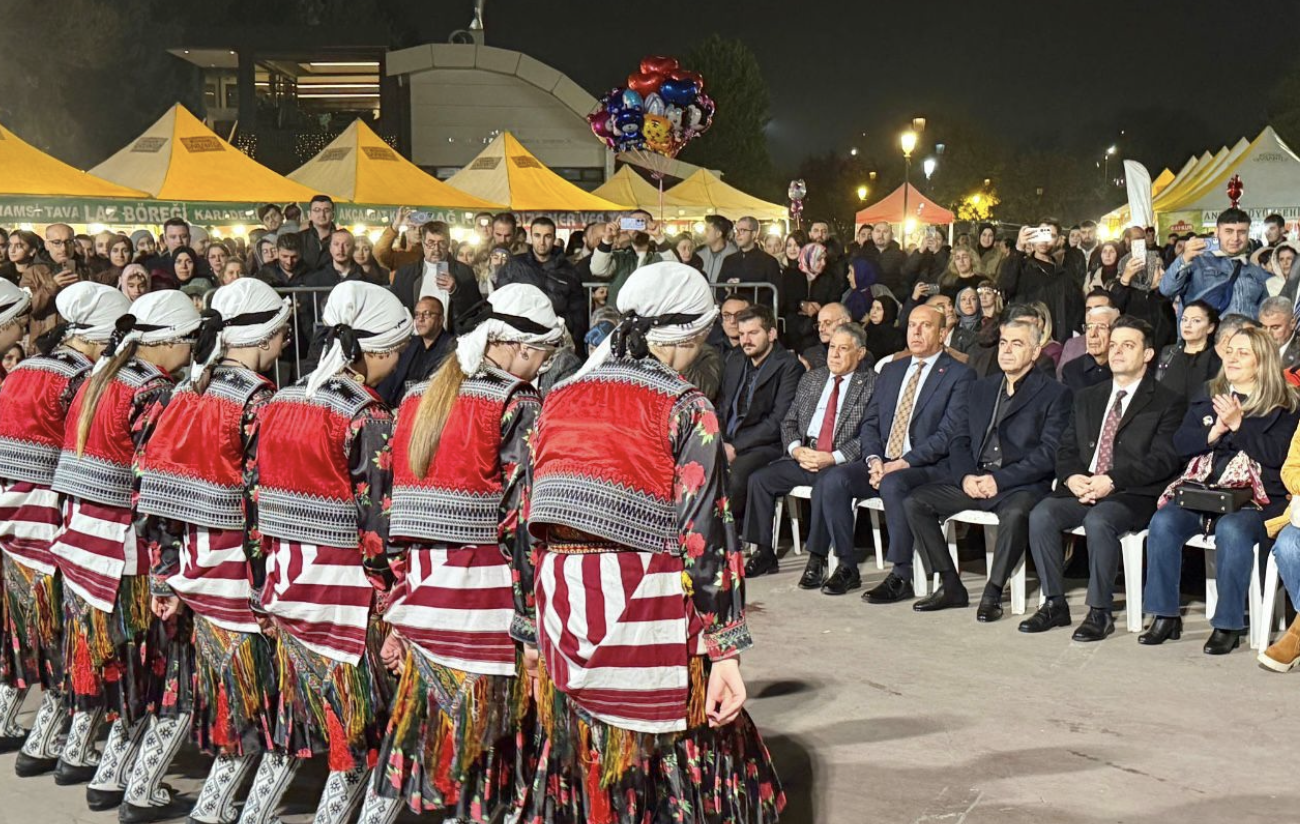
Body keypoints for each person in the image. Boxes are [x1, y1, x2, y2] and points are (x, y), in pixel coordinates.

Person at [520, 261, 784, 823]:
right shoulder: (686, 406)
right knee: (667, 767)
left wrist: (531, 629)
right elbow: (705, 534)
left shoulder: (557, 395)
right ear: (691, 334)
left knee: (587, 761)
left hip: (564, 604)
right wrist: (725, 650)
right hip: (648, 608)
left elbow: (527, 517)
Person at [357, 284, 562, 824]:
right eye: (541, 355)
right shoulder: (517, 403)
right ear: (518, 346)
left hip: (425, 597)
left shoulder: (417, 396)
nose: (541, 367)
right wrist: (532, 622)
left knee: (428, 737)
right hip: (486, 604)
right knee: (489, 756)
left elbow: (386, 511)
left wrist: (395, 603)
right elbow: (521, 522)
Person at [237, 281, 410, 824]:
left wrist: (262, 587)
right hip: (345, 596)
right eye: (397, 349)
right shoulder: (366, 416)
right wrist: (393, 597)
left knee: (294, 721)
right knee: (363, 729)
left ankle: (250, 814)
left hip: (288, 581)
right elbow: (378, 523)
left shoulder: (282, 401)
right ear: (378, 350)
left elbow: (252, 497)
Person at [126, 280, 290, 824]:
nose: (285, 343)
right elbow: (260, 503)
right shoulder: (257, 401)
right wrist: (269, 588)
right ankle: (217, 806)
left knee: (198, 684)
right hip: (236, 571)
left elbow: (149, 485)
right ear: (264, 337)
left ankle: (148, 789)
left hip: (192, 566)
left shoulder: (188, 390)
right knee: (247, 694)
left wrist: (164, 572)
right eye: (282, 333)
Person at [47, 291, 199, 807]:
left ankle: (88, 763)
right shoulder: (153, 391)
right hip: (123, 555)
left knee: (111, 669)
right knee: (147, 671)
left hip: (80, 544)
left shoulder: (98, 378)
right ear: (172, 341)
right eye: (190, 342)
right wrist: (167, 569)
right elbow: (148, 488)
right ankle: (119, 779)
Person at [0, 283, 126, 773]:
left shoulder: (22, 370)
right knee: (65, 641)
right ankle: (59, 743)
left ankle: (11, 721)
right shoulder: (82, 380)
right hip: (52, 522)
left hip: (11, 517)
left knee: (20, 634)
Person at [1022, 317, 1186, 639]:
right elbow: (1066, 448)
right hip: (1085, 486)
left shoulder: (1167, 400)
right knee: (1041, 514)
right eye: (1114, 345)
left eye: (1128, 345)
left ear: (1148, 354)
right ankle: (1054, 603)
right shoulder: (1088, 396)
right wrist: (1071, 477)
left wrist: (1112, 479)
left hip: (1131, 492)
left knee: (1099, 520)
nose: (1117, 351)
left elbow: (1164, 459)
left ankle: (1100, 612)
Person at [1140, 326, 1300, 654]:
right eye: (1230, 351)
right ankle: (1164, 615)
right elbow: (1180, 444)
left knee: (1232, 530)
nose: (1233, 358)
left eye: (1243, 353)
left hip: (1256, 500)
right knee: (1164, 522)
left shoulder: (1285, 404)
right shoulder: (1207, 394)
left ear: (1262, 360)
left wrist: (1240, 426)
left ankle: (1228, 624)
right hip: (1206, 491)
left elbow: (1278, 458)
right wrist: (1214, 432)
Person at [904, 317, 1072, 622]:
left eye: (1017, 344)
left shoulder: (1054, 393)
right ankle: (950, 584)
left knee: (1016, 514)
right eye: (1003, 343)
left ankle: (993, 592)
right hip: (977, 478)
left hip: (1019, 484)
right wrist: (966, 476)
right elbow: (959, 439)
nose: (1006, 350)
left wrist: (1000, 480)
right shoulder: (981, 387)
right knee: (916, 502)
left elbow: (1048, 454)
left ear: (1035, 352)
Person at [827, 305, 975, 603]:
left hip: (929, 465)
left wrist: (902, 463)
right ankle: (846, 565)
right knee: (835, 479)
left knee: (894, 483)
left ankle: (901, 574)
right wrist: (874, 460)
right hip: (884, 461)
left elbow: (948, 434)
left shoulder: (960, 374)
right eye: (912, 325)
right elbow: (870, 422)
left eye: (925, 326)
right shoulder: (892, 370)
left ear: (943, 334)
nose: (916, 331)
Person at [742, 324, 876, 587]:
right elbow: (788, 422)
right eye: (832, 347)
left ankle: (816, 559)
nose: (834, 354)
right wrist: (796, 449)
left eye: (843, 348)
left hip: (839, 461)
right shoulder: (812, 379)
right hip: (805, 454)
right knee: (759, 479)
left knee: (826, 485)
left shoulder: (873, 383)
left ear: (860, 353)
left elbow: (871, 435)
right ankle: (764, 552)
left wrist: (834, 457)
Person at [719, 305, 805, 529]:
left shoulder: (789, 366)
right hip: (729, 439)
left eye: (753, 333)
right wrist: (716, 440)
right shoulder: (735, 359)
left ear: (771, 333)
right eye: (742, 334)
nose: (746, 340)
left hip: (767, 444)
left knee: (735, 476)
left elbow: (779, 420)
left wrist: (735, 447)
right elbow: (722, 406)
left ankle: (728, 535)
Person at [495, 217, 587, 352]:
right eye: (537, 236)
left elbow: (578, 311)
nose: (542, 242)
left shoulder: (569, 271)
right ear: (531, 237)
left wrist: (574, 340)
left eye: (547, 236)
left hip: (557, 340)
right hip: (521, 340)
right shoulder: (513, 266)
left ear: (554, 237)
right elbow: (500, 304)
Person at [1159, 208, 1270, 320]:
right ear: (1217, 233)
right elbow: (1166, 289)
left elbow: (1265, 312)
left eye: (1241, 232)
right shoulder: (1198, 261)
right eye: (1229, 231)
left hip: (1248, 330)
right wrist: (1184, 259)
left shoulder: (1255, 271)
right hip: (1208, 331)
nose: (1235, 238)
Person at [999, 220, 1083, 345]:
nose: (1044, 240)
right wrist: (1019, 248)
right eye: (1041, 234)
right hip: (1026, 339)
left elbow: (1076, 308)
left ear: (1059, 240)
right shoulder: (1021, 267)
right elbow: (1005, 286)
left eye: (1051, 235)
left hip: (1057, 343)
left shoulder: (1064, 275)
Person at [390, 221, 479, 325]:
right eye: (431, 243)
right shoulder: (405, 274)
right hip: (414, 333)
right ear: (423, 244)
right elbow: (394, 311)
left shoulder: (464, 272)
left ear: (448, 244)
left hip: (451, 334)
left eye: (441, 243)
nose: (436, 249)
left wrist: (455, 291)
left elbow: (475, 312)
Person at [376, 295, 455, 406]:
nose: (420, 319)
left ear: (440, 320)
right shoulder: (408, 344)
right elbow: (390, 378)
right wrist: (379, 404)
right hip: (395, 407)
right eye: (417, 314)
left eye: (427, 314)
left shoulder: (452, 348)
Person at [787, 242, 849, 353]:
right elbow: (785, 301)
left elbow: (834, 301)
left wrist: (820, 309)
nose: (823, 263)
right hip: (794, 323)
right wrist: (801, 305)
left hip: (818, 324)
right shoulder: (792, 275)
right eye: (819, 259)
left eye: (824, 259)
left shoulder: (829, 278)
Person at [1155, 299, 1220, 401]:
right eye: (1184, 319)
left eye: (1196, 320)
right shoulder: (1168, 352)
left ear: (1210, 327)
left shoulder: (1216, 358)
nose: (1187, 325)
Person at [1061, 306, 1119, 391]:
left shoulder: (1124, 368)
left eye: (1101, 327)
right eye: (1089, 327)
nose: (1092, 334)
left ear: (1115, 332)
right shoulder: (1071, 370)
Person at [719, 216, 782, 286]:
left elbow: (776, 289)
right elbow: (719, 288)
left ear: (753, 234)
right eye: (736, 230)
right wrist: (727, 288)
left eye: (742, 230)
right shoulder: (728, 260)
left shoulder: (769, 262)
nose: (737, 235)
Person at [858, 222, 907, 299]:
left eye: (885, 232)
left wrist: (892, 297)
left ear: (891, 235)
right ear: (872, 234)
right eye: (878, 231)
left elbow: (905, 280)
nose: (881, 235)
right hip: (865, 298)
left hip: (890, 298)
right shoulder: (861, 253)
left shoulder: (900, 255)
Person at [801, 302, 853, 369]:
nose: (820, 329)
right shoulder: (811, 356)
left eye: (827, 323)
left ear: (845, 321)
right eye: (819, 324)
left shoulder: (861, 353)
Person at [1258, 295, 1300, 368]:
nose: (1268, 333)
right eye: (1264, 327)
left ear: (1292, 323)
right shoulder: (1253, 344)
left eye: (1275, 327)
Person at [299, 194, 337, 271]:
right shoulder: (298, 239)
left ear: (333, 215)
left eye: (326, 210)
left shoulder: (341, 240)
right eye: (317, 210)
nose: (322, 214)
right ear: (310, 215)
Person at [864, 293, 904, 361]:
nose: (873, 312)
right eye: (872, 307)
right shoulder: (865, 329)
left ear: (887, 311)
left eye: (878, 309)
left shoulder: (896, 336)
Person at [697, 214, 737, 282]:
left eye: (707, 230)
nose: (704, 233)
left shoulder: (735, 256)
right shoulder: (698, 254)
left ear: (718, 234)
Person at [843, 256, 879, 323]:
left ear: (861, 274)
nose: (847, 276)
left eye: (851, 272)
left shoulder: (877, 294)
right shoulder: (848, 294)